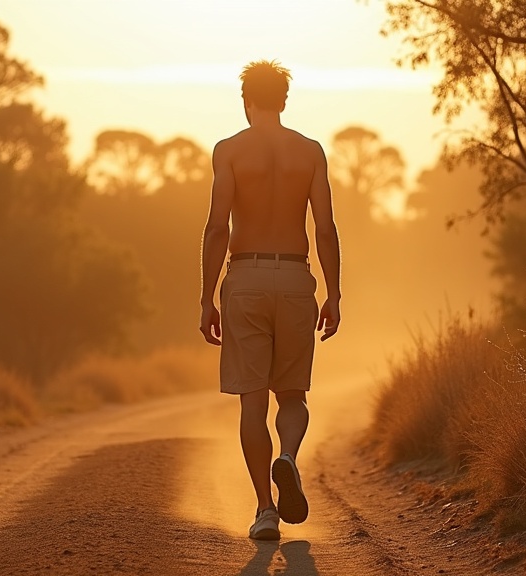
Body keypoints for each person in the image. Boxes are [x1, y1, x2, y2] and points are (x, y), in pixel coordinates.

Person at [199, 60, 341, 541]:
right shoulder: (310, 152)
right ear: (283, 101)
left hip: (246, 278)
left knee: (252, 404)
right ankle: (288, 456)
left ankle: (264, 510)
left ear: (246, 101)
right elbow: (324, 227)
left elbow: (218, 226)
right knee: (293, 396)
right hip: (297, 279)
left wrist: (205, 298)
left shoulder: (230, 151)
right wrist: (334, 293)